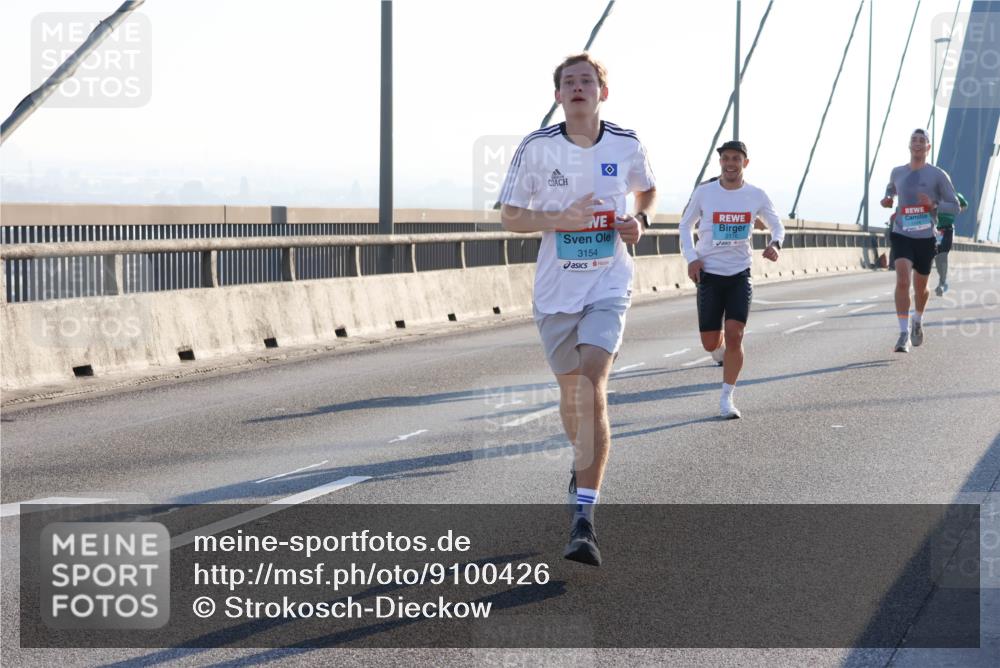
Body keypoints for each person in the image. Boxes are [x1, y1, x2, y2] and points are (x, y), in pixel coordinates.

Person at [499, 53, 657, 567]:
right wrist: (559, 218)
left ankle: (584, 519)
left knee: (592, 388)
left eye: (587, 81)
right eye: (569, 82)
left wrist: (639, 221)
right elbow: (510, 216)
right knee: (574, 401)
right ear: (558, 95)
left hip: (608, 285)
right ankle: (581, 465)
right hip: (555, 295)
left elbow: (647, 190)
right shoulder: (537, 147)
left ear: (602, 93)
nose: (578, 87)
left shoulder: (626, 143)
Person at [678, 140, 783, 418]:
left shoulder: (756, 195)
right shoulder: (705, 192)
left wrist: (775, 244)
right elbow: (685, 225)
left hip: (739, 273)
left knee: (736, 334)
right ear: (720, 162)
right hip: (709, 273)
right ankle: (719, 347)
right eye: (726, 158)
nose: (730, 164)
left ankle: (727, 398)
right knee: (710, 343)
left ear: (745, 163)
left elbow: (777, 225)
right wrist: (691, 258)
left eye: (736, 159)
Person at [879, 129, 959, 352]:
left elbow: (955, 206)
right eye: (914, 140)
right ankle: (903, 333)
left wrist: (933, 205)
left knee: (921, 287)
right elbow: (891, 189)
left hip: (925, 237)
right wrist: (888, 199)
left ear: (928, 147)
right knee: (903, 280)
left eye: (922, 140)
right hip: (901, 233)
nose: (917, 143)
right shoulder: (897, 172)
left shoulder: (938, 175)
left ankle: (918, 318)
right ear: (909, 145)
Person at [934, 192, 968, 295]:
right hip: (935, 230)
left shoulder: (956, 195)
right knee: (937, 257)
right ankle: (942, 279)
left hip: (947, 230)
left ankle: (942, 283)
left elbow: (965, 205)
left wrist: (955, 212)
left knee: (943, 255)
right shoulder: (933, 194)